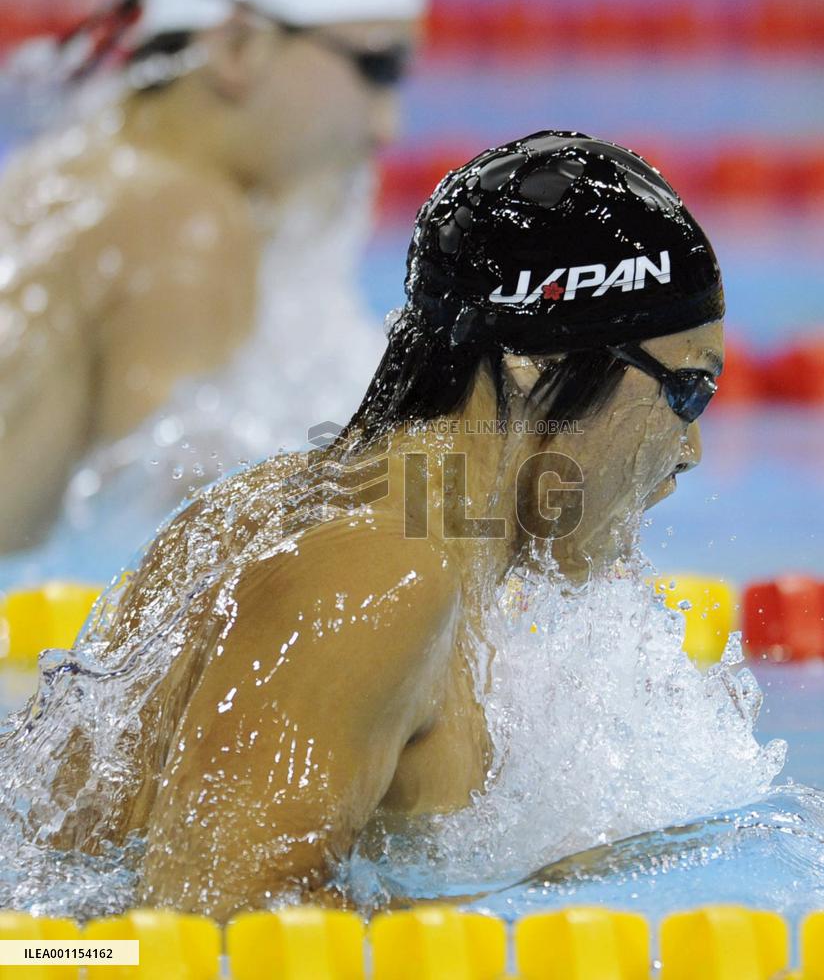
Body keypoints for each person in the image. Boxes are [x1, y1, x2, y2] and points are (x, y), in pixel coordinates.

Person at [0, 132, 725, 922]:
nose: (688, 449)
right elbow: (205, 934)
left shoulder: (290, 503)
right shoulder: (379, 575)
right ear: (534, 360)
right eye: (685, 392)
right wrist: (531, 913)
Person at [0, 0, 424, 554]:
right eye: (377, 68)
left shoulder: (57, 174)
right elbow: (158, 554)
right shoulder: (187, 227)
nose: (386, 127)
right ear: (238, 48)